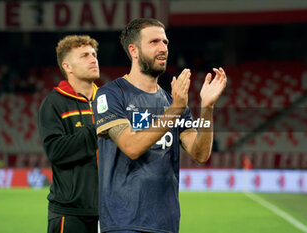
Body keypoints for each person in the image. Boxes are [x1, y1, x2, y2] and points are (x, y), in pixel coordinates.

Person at [93, 18, 227, 233]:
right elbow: (131, 147)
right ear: (134, 51)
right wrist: (174, 110)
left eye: (165, 42)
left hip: (166, 224)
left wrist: (207, 108)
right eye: (154, 42)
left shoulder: (172, 101)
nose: (163, 48)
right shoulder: (111, 94)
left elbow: (200, 154)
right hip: (124, 223)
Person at [38, 35, 99, 233]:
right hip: (70, 212)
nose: (93, 59)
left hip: (110, 211)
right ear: (68, 67)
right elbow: (56, 151)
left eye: (94, 54)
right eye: (84, 56)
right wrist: (99, 129)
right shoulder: (54, 103)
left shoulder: (109, 101)